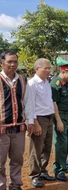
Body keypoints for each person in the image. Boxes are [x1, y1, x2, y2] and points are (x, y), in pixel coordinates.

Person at [24, 58, 56, 188]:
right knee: (36, 149)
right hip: (39, 119)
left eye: (49, 68)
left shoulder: (46, 82)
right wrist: (34, 122)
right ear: (37, 68)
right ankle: (34, 175)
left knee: (47, 147)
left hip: (49, 118)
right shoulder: (31, 84)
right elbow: (29, 104)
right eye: (46, 68)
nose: (48, 71)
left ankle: (43, 171)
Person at [0, 50, 27, 190]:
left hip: (19, 128)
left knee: (17, 159)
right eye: (9, 61)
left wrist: (32, 121)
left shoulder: (22, 79)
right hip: (1, 128)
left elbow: (26, 101)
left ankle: (16, 184)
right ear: (2, 63)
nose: (12, 64)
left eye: (15, 61)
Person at [50, 63, 68, 182]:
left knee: (65, 143)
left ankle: (62, 167)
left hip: (67, 116)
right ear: (63, 72)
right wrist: (58, 121)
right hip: (60, 116)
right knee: (61, 144)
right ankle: (59, 170)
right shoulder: (55, 84)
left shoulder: (65, 85)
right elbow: (54, 104)